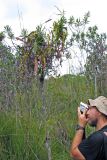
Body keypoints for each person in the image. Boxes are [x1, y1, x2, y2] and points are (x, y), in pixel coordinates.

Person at [70, 96, 107, 160]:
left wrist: (81, 126)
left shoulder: (98, 138)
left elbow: (74, 154)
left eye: (89, 108)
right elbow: (84, 152)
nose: (86, 112)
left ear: (100, 111)